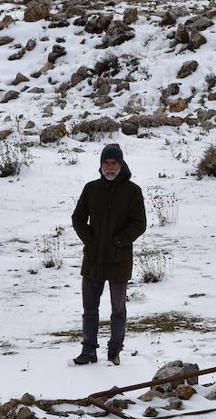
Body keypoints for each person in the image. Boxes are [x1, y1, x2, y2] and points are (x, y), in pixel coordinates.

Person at [70, 143, 147, 366]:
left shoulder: (133, 191)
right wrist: (90, 240)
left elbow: (139, 224)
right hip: (93, 259)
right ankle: (88, 351)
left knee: (118, 309)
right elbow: (78, 218)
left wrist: (120, 241)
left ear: (121, 165)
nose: (110, 167)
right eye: (106, 163)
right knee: (89, 309)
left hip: (119, 261)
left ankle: (114, 352)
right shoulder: (91, 189)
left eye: (114, 163)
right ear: (101, 164)